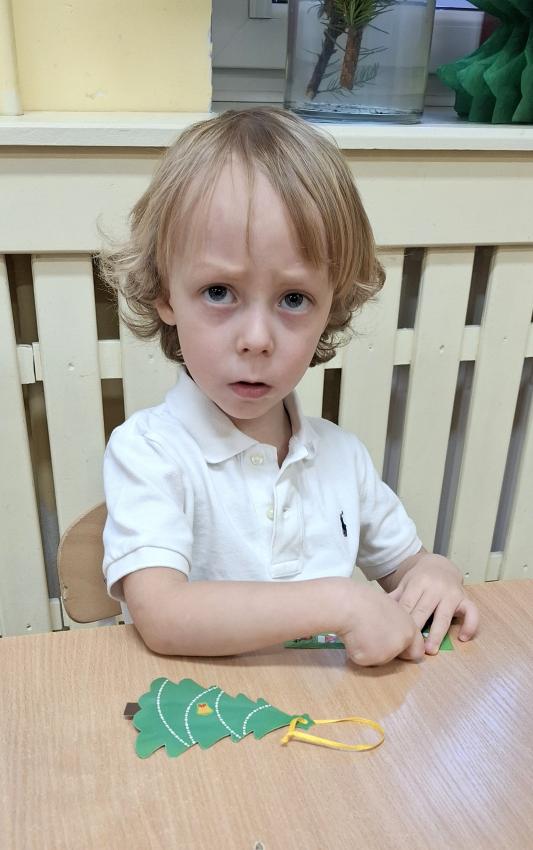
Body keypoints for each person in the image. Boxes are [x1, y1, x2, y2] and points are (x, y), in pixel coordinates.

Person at [100, 107, 478, 666]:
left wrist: (438, 573)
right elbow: (164, 616)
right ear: (164, 295)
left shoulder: (343, 457)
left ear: (331, 309)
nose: (257, 339)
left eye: (294, 299)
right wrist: (340, 601)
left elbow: (410, 565)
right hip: (203, 711)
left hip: (329, 712)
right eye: (219, 291)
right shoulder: (149, 451)